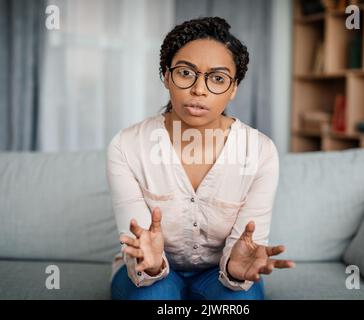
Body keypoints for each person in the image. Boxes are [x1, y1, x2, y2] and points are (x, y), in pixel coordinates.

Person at [106, 16, 295, 300]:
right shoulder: (126, 146)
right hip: (147, 274)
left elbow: (245, 247)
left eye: (217, 78)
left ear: (233, 88)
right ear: (166, 76)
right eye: (185, 73)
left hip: (221, 273)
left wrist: (235, 268)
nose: (199, 89)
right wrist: (152, 263)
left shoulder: (260, 152)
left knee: (240, 301)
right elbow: (138, 250)